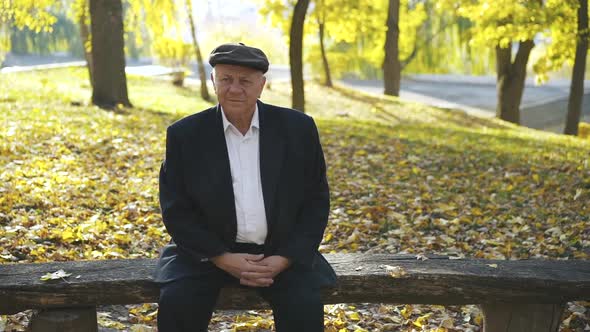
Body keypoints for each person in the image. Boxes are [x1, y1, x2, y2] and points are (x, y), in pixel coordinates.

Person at [154, 42, 336, 332]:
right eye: (226, 79)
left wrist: (284, 258)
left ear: (261, 85)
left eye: (245, 81)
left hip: (280, 253)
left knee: (304, 306)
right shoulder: (185, 135)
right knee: (178, 303)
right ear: (214, 81)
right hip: (207, 255)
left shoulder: (298, 129)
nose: (235, 88)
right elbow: (176, 210)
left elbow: (316, 201)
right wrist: (222, 257)